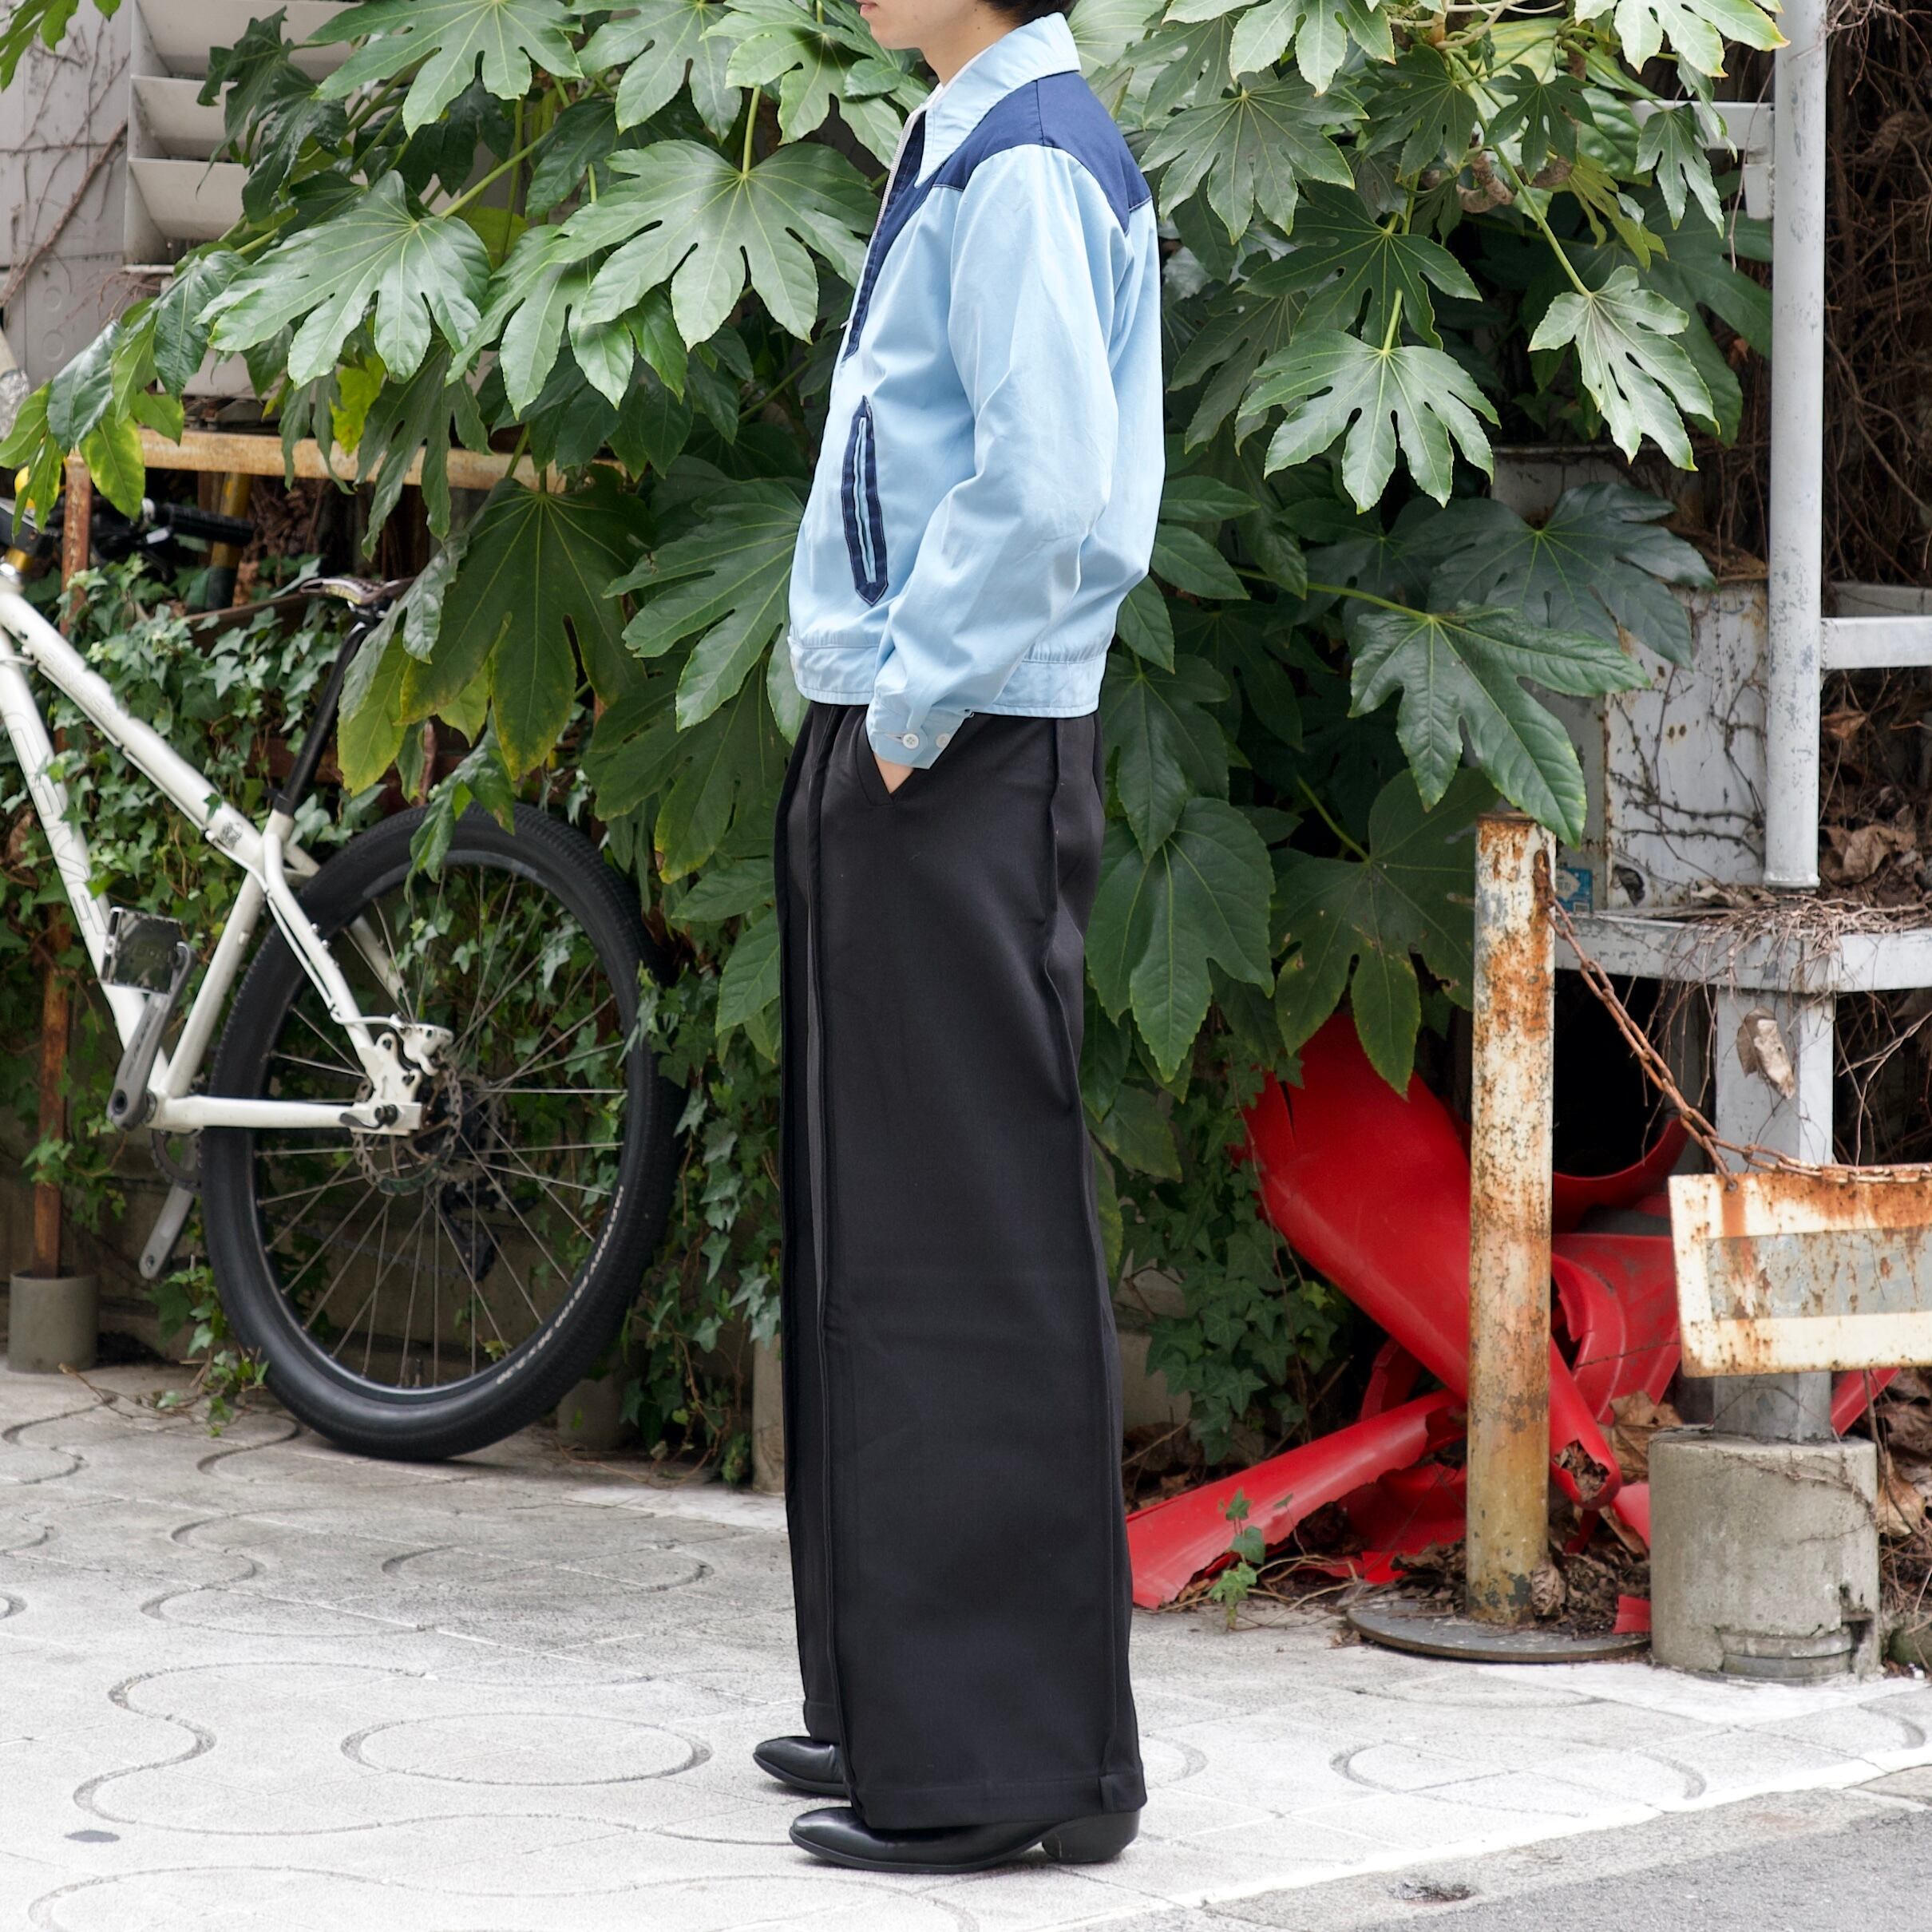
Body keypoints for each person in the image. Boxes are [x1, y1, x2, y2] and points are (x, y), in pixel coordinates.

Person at [758, 0, 1166, 1878]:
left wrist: (912, 705)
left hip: (959, 741)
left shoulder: (1025, 160)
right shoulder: (979, 133)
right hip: (921, 729)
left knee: (962, 1244)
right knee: (880, 1228)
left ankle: (1010, 1763)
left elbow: (1051, 484)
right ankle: (901, 1704)